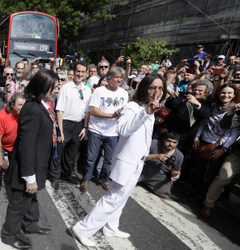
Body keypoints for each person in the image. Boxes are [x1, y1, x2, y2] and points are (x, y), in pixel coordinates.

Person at [72, 73, 167, 246]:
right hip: (126, 161)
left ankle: (111, 227)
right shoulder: (133, 107)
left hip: (138, 161)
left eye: (160, 88)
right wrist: (145, 113)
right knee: (113, 198)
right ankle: (83, 228)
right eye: (153, 87)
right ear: (144, 88)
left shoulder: (149, 108)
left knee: (122, 198)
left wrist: (149, 113)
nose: (157, 91)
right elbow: (123, 130)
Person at [1, 69, 58, 249]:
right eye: (54, 86)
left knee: (31, 199)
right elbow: (26, 145)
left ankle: (30, 224)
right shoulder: (32, 108)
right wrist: (30, 177)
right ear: (44, 87)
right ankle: (9, 235)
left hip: (37, 163)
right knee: (19, 203)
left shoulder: (41, 104)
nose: (57, 89)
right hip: (27, 168)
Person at [80, 67, 129, 193]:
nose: (119, 80)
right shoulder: (99, 91)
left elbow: (126, 111)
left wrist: (121, 113)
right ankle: (85, 180)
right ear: (108, 79)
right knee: (91, 158)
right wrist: (112, 115)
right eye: (116, 77)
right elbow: (94, 111)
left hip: (113, 132)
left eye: (120, 78)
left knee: (108, 160)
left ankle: (103, 180)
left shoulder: (123, 93)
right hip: (96, 130)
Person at [53, 61, 91, 187]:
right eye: (78, 71)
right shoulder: (65, 88)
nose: (80, 74)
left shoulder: (87, 90)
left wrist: (85, 127)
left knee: (71, 152)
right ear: (74, 72)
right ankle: (54, 176)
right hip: (65, 123)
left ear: (86, 73)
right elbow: (59, 110)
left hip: (79, 125)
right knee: (59, 151)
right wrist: (61, 130)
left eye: (82, 72)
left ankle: (66, 174)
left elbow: (87, 111)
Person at [201, 102, 240, 218]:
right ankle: (208, 205)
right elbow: (226, 125)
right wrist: (229, 113)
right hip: (238, 155)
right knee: (222, 177)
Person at [0, 93, 26, 198]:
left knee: (14, 165)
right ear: (12, 105)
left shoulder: (22, 114)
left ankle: (11, 183)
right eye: (20, 105)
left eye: (24, 105)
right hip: (0, 143)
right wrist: (1, 159)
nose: (22, 108)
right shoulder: (2, 116)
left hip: (13, 144)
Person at [139, 131, 183, 198]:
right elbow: (138, 157)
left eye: (174, 142)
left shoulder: (179, 155)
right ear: (163, 139)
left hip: (157, 175)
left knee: (164, 194)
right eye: (169, 141)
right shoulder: (154, 143)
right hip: (142, 169)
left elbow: (176, 170)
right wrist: (156, 156)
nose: (171, 144)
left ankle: (148, 183)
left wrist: (176, 174)